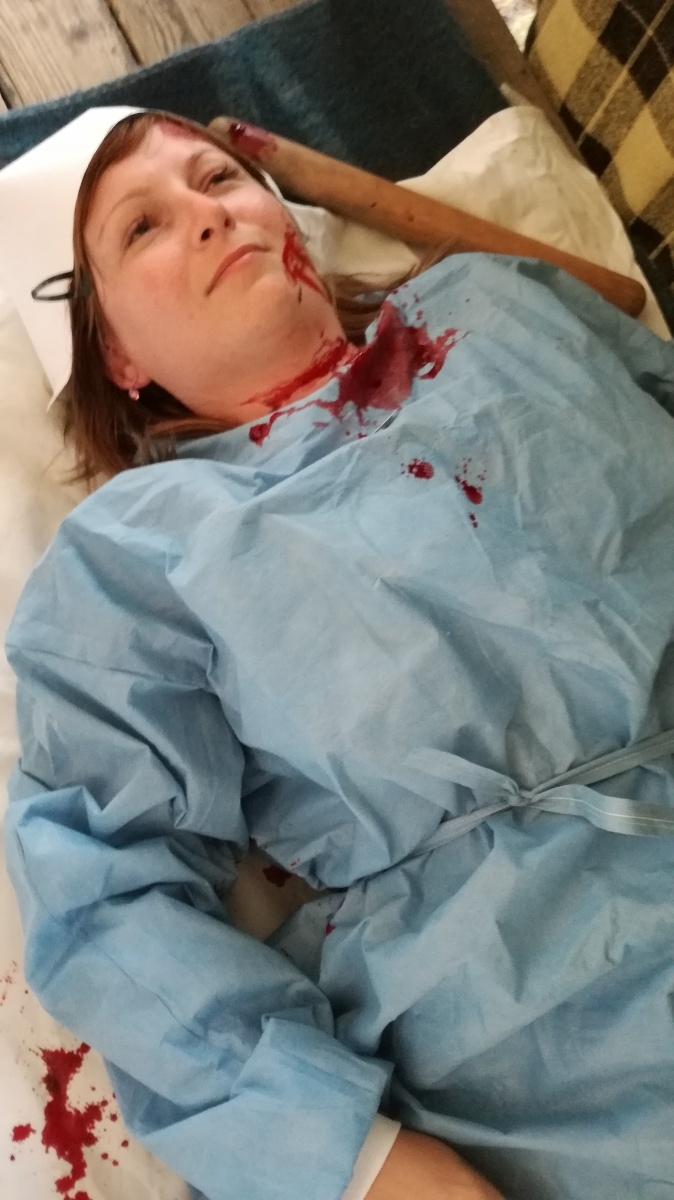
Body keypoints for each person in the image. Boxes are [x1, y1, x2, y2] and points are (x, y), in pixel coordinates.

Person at [5, 108, 674, 1200]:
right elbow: (103, 896)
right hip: (553, 1022)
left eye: (218, 178)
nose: (208, 215)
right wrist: (362, 1162)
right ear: (115, 354)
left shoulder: (500, 304)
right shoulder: (136, 554)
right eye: (142, 227)